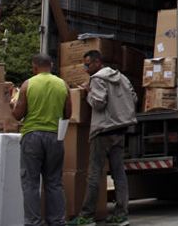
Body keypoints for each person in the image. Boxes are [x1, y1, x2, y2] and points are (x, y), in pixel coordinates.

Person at [67, 50, 137, 226]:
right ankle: (121, 215)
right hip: (120, 130)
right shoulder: (122, 77)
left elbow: (99, 103)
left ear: (98, 63)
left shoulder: (97, 79)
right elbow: (134, 98)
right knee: (119, 173)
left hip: (103, 131)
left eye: (87, 64)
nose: (85, 68)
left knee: (94, 174)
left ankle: (86, 216)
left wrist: (88, 91)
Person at [13, 54, 71, 226]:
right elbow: (68, 114)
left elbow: (18, 115)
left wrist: (12, 105)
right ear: (51, 66)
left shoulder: (27, 84)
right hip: (55, 137)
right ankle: (57, 222)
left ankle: (33, 222)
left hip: (32, 136)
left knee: (31, 183)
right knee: (54, 182)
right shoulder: (63, 85)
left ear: (34, 67)